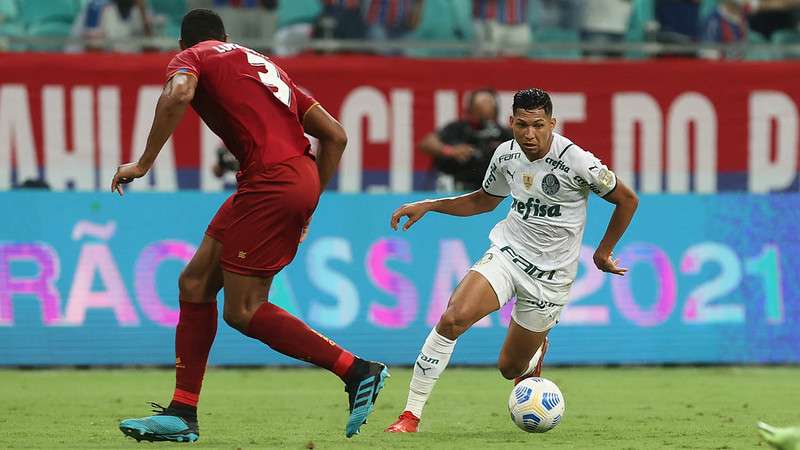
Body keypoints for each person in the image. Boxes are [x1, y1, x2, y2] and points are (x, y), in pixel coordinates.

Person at [111, 9, 388, 442]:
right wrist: (308, 202)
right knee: (196, 282)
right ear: (227, 36)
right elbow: (335, 134)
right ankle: (182, 411)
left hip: (270, 182)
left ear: (185, 44)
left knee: (243, 309)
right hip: (285, 179)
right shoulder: (264, 65)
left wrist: (144, 162)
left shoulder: (194, 57)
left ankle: (356, 371)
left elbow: (179, 93)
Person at [384, 88, 639, 433]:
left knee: (509, 367)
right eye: (521, 125)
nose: (529, 134)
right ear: (511, 122)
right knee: (452, 318)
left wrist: (603, 251)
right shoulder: (505, 155)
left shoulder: (577, 160)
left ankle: (534, 350)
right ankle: (410, 415)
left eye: (538, 125)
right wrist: (430, 205)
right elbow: (484, 202)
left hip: (551, 277)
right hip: (508, 255)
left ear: (552, 123)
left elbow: (627, 199)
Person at [419, 88, 512, 192]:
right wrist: (450, 151)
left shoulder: (503, 133)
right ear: (471, 108)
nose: (486, 107)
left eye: (489, 102)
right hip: (455, 188)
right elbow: (427, 143)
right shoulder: (457, 128)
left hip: (488, 191)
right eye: (481, 102)